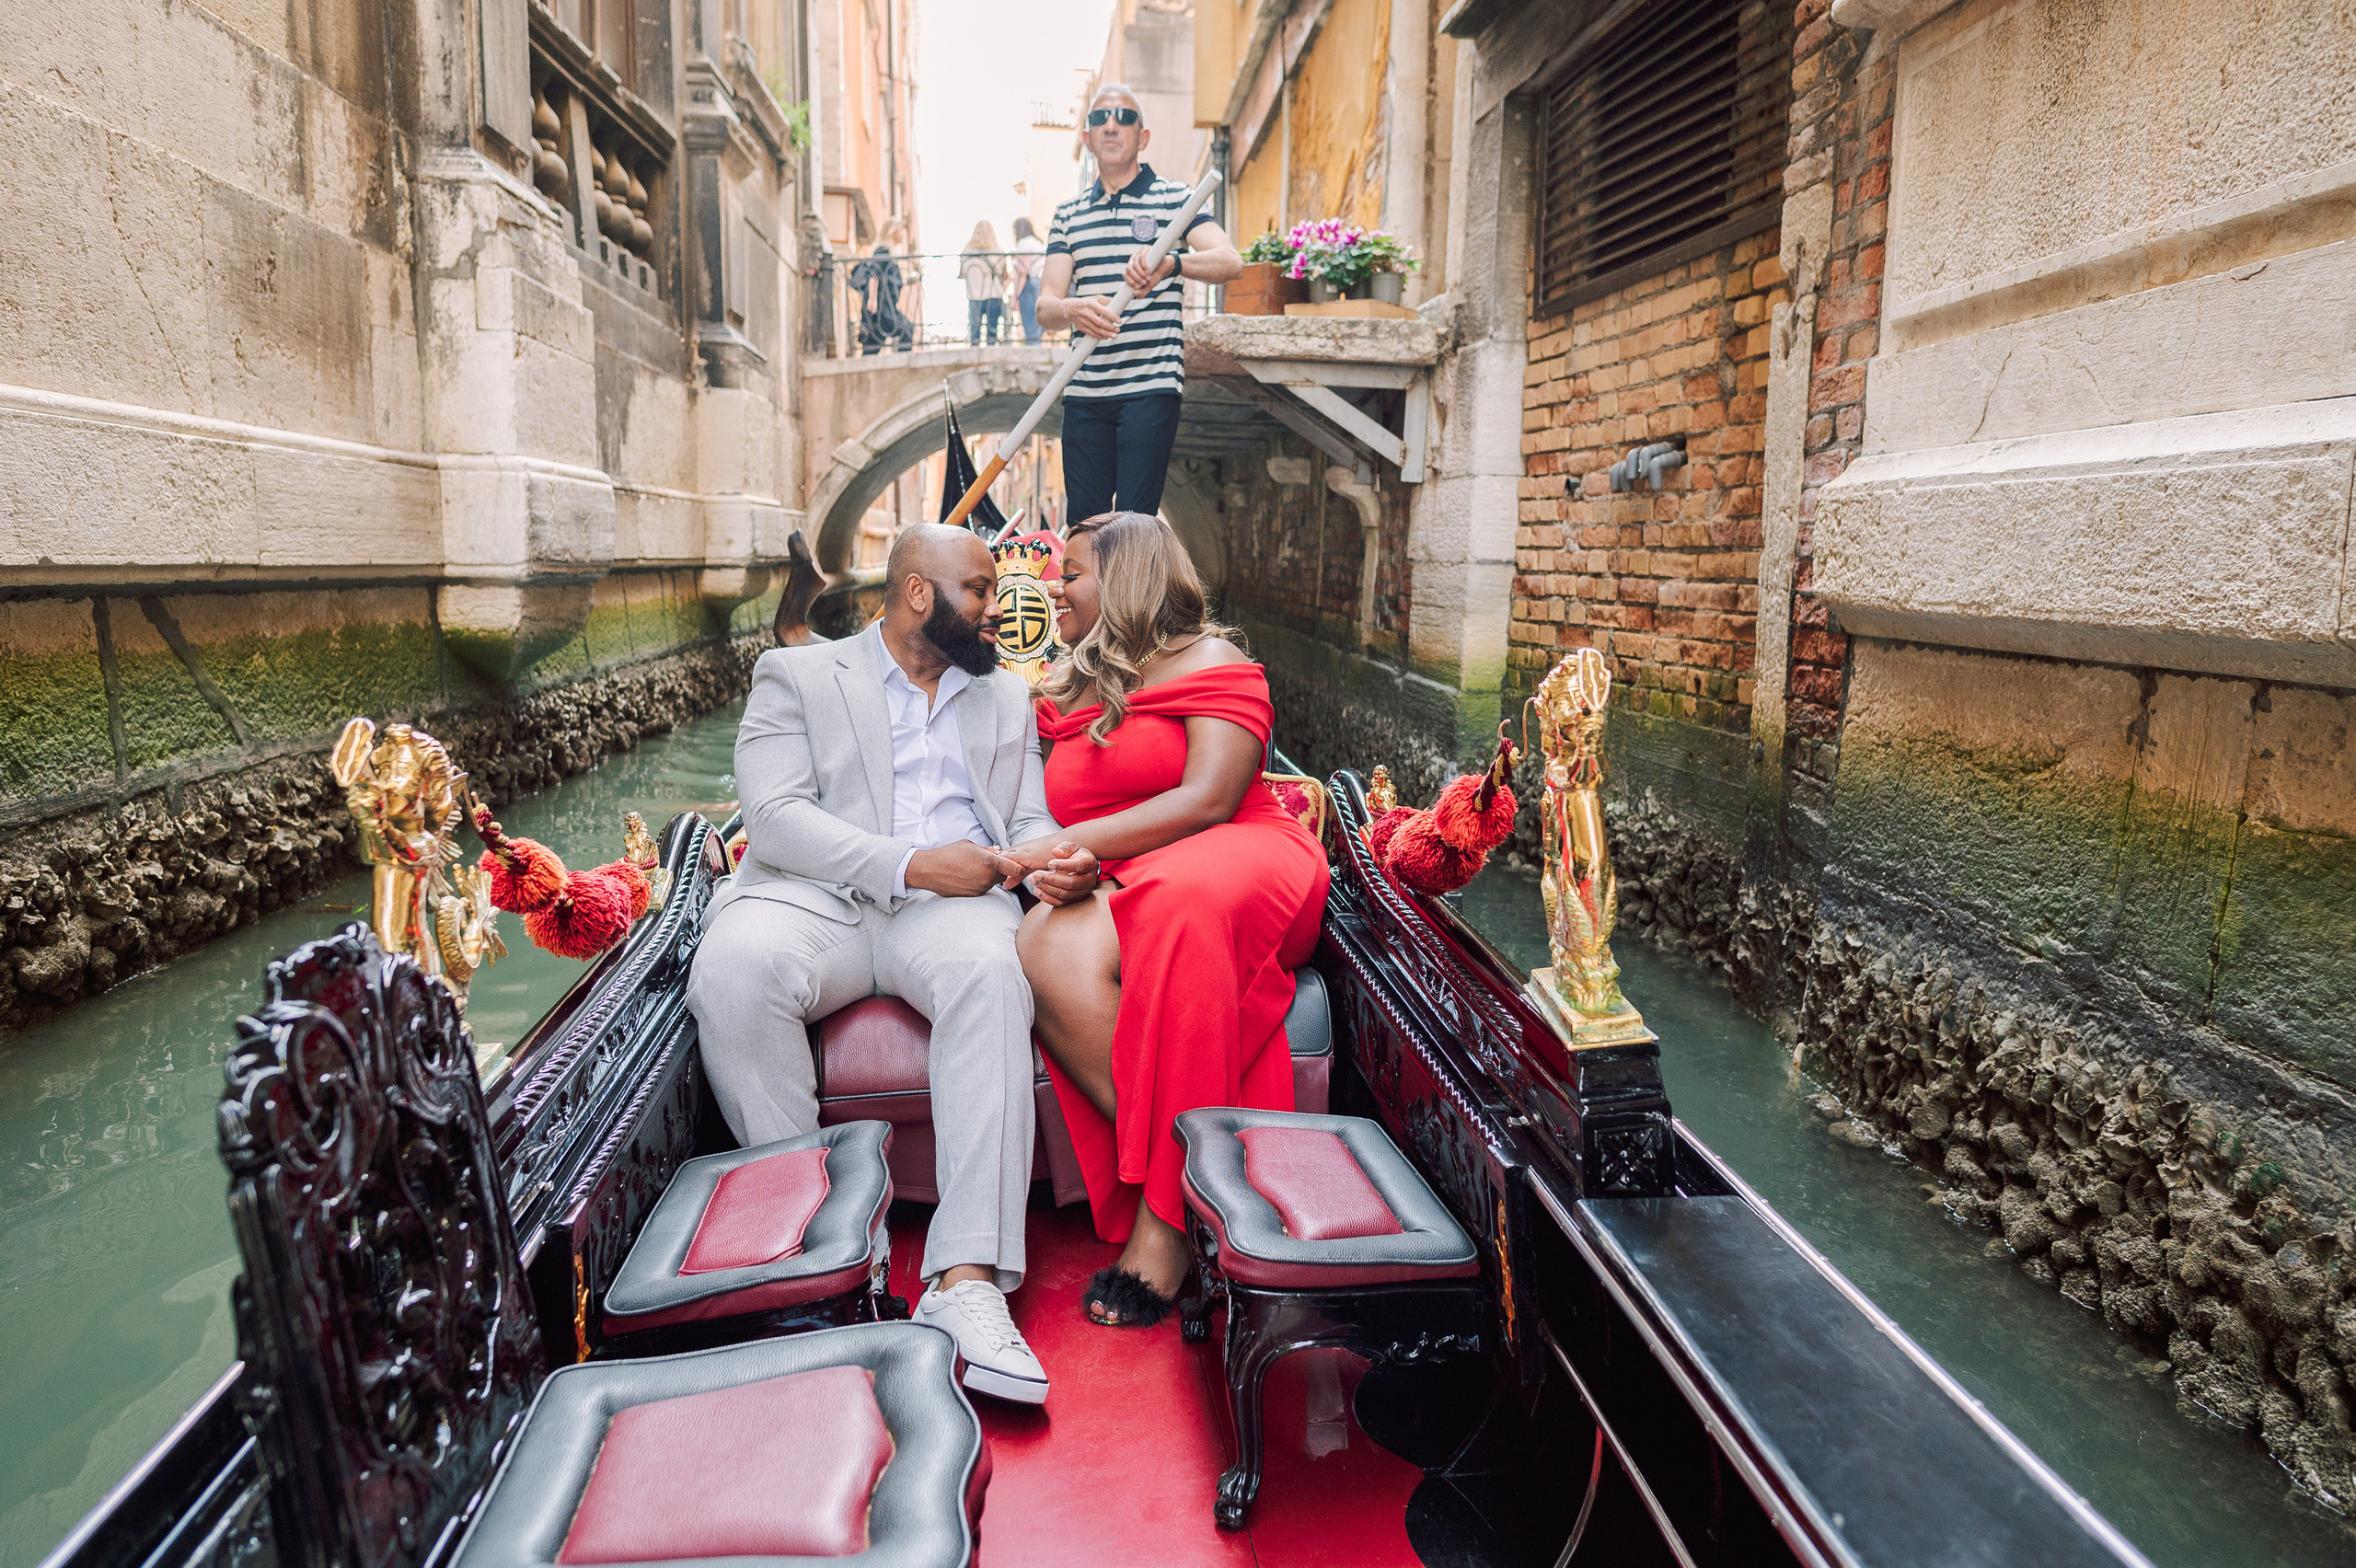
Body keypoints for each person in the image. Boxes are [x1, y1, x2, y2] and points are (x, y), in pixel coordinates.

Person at [686, 524, 1100, 1401]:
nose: (1000, 610)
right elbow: (780, 815)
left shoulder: (1004, 700)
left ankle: (968, 1282)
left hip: (948, 909)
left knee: (994, 974)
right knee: (733, 968)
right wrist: (908, 863)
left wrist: (1053, 858)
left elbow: (1022, 819)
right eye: (981, 592)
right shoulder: (796, 675)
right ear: (920, 594)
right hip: (816, 897)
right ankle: (821, 1249)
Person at [1002, 513, 1329, 1326]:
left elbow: (1209, 798)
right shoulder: (1069, 683)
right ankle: (1205, 1171)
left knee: (1180, 904)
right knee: (1042, 943)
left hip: (1242, 852)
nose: (1053, 586)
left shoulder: (1214, 658)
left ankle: (1165, 1230)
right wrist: (1073, 862)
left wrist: (1069, 846)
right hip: (1127, 869)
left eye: (1070, 572)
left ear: (1126, 578)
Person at [1037, 86, 1242, 520]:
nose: (1111, 125)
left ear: (1142, 137)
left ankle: (1132, 592)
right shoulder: (1068, 215)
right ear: (1087, 138)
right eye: (1100, 118)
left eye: (1124, 117)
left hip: (1150, 387)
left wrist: (1172, 263)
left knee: (1134, 525)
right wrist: (1074, 309)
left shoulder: (1174, 199)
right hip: (1085, 388)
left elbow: (1230, 261)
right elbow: (1045, 308)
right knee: (1086, 525)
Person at [851, 221, 914, 354]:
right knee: (906, 329)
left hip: (884, 305)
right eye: (900, 230)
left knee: (873, 344)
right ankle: (902, 367)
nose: (903, 234)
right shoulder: (883, 250)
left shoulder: (888, 252)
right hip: (881, 306)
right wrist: (872, 301)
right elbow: (874, 274)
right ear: (893, 232)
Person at [961, 221, 1006, 346]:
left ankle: (974, 356)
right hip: (994, 294)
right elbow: (1004, 273)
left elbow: (962, 272)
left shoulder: (966, 251)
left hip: (974, 295)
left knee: (975, 331)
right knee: (992, 333)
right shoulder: (997, 250)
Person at [1010, 215, 1045, 344]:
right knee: (1037, 328)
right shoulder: (1038, 243)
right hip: (1040, 283)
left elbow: (1022, 272)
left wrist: (1015, 296)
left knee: (1030, 328)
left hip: (1029, 285)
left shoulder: (1024, 243)